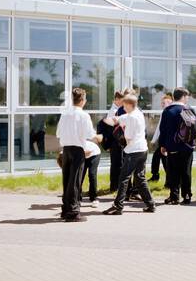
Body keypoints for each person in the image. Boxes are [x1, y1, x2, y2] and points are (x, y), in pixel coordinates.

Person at [105, 91, 155, 215]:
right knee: (140, 178)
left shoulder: (132, 116)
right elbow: (118, 119)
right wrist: (114, 119)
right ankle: (150, 204)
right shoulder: (136, 113)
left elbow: (129, 136)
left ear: (128, 105)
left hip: (133, 151)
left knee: (123, 178)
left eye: (124, 105)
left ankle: (118, 206)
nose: (122, 107)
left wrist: (121, 131)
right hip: (142, 149)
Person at [56, 87, 96, 221]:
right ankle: (73, 212)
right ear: (83, 100)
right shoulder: (84, 115)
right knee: (75, 181)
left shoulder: (65, 114)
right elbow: (89, 134)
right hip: (78, 150)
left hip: (66, 149)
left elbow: (58, 133)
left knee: (66, 180)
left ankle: (66, 209)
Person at [95, 92, 125, 200]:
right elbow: (112, 128)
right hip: (115, 141)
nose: (123, 103)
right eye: (122, 101)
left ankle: (114, 186)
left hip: (114, 141)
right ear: (117, 99)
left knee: (116, 164)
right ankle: (114, 186)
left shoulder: (115, 109)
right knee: (117, 164)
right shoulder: (114, 111)